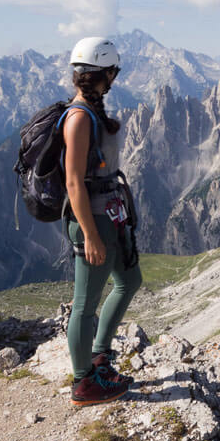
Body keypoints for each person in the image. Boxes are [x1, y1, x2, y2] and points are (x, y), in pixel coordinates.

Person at [63, 36, 142, 406]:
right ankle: (83, 383)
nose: (115, 78)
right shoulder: (79, 117)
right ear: (102, 73)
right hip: (93, 219)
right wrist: (91, 236)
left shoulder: (92, 112)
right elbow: (74, 182)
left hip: (111, 213)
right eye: (113, 71)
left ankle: (99, 356)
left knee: (129, 279)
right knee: (85, 303)